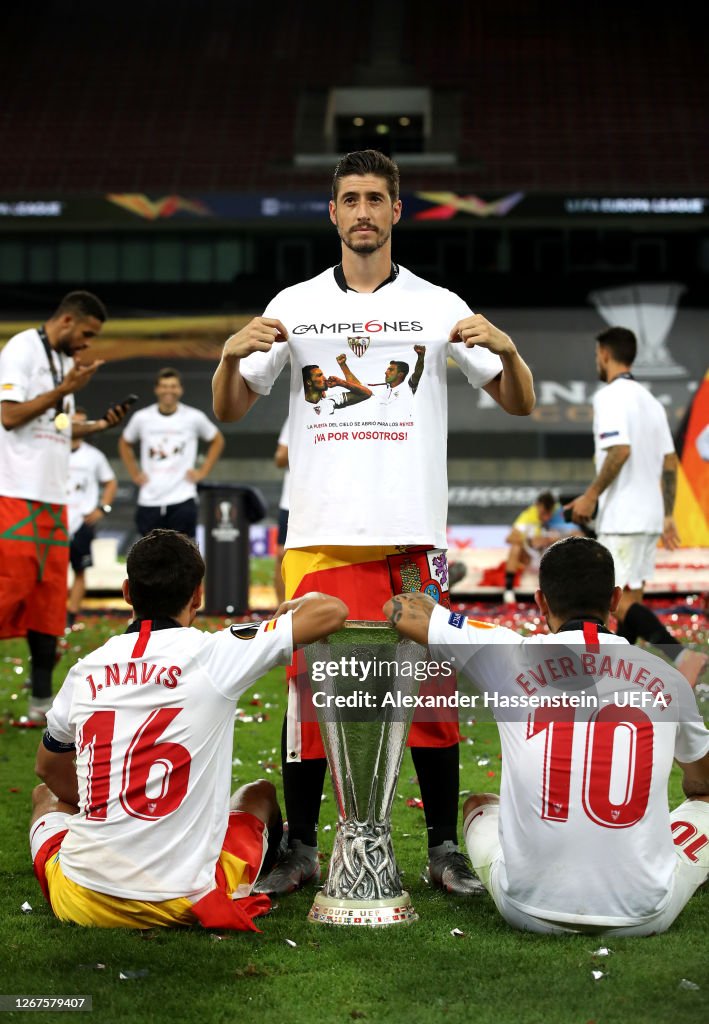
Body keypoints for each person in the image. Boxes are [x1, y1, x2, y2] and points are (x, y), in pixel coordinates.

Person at [212, 148, 535, 897]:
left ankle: (443, 846)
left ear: (396, 212)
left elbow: (516, 400)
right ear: (333, 213)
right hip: (321, 529)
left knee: (428, 697)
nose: (361, 211)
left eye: (374, 199)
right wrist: (228, 359)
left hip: (410, 531)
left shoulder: (439, 304)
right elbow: (232, 408)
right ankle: (298, 847)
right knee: (309, 693)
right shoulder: (291, 305)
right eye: (349, 198)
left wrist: (511, 352)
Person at [386, 536, 709, 936]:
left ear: (540, 602)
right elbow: (701, 783)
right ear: (615, 600)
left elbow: (401, 610)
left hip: (526, 907)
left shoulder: (505, 652)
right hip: (645, 914)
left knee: (480, 804)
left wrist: (455, 622)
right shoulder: (667, 678)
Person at [30, 528, 348, 931]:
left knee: (45, 798)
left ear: (127, 592)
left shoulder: (85, 668)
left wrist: (104, 803)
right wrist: (291, 608)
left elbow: (47, 766)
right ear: (198, 595)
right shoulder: (216, 653)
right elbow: (331, 611)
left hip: (82, 897)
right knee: (260, 795)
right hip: (184, 899)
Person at [0, 290, 128, 723]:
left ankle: (39, 705)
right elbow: (11, 416)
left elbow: (54, 424)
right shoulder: (21, 349)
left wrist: (95, 425)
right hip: (16, 496)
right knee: (7, 592)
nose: (86, 344)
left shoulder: (61, 364)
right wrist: (65, 389)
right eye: (86, 335)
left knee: (48, 607)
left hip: (54, 504)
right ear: (68, 321)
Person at [565, 327, 707, 686]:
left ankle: (682, 656)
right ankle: (618, 681)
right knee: (629, 604)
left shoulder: (611, 397)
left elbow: (619, 450)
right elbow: (670, 461)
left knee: (616, 603)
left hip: (623, 516)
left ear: (604, 354)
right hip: (648, 516)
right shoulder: (651, 401)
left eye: (597, 354)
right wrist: (670, 513)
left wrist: (591, 495)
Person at [118, 367, 225, 539]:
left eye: (173, 386)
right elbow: (125, 442)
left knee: (182, 554)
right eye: (164, 386)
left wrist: (202, 472)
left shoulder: (193, 417)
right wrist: (134, 473)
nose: (169, 390)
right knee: (148, 556)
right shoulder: (142, 418)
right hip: (149, 498)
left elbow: (217, 440)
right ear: (157, 389)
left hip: (182, 497)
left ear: (180, 389)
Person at [66, 408, 118, 628]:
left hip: (81, 522)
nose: (78, 427)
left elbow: (110, 482)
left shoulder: (94, 456)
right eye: (73, 422)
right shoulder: (51, 451)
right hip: (53, 519)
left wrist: (102, 508)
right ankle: (51, 613)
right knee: (51, 571)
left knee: (80, 570)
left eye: (82, 423)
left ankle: (70, 615)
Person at [502, 490, 576, 604]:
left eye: (548, 513)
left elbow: (579, 535)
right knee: (515, 547)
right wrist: (529, 541)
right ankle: (508, 590)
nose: (545, 517)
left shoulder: (559, 514)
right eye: (543, 513)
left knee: (570, 547)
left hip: (550, 558)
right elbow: (509, 538)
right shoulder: (528, 516)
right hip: (531, 558)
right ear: (537, 506)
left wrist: (553, 539)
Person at [273, 416, 290, 607]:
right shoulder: (296, 417)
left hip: (325, 498)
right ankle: (280, 608)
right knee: (281, 555)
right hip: (292, 500)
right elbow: (279, 458)